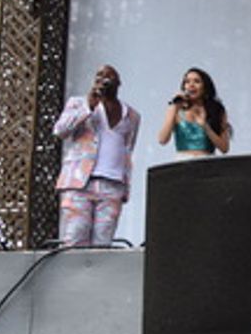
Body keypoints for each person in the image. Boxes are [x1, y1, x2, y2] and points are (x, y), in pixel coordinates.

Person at [53, 65, 141, 247]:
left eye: (109, 75)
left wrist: (125, 187)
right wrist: (89, 106)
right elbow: (60, 131)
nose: (104, 77)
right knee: (74, 238)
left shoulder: (132, 116)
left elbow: (128, 150)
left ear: (119, 82)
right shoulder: (78, 103)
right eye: (99, 75)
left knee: (103, 242)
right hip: (80, 182)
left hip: (113, 184)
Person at [157, 67, 231, 158]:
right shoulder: (175, 109)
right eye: (187, 82)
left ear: (205, 87)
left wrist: (205, 127)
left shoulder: (217, 110)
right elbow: (162, 140)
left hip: (208, 163)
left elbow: (224, 148)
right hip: (183, 163)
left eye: (197, 81)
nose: (191, 85)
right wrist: (174, 108)